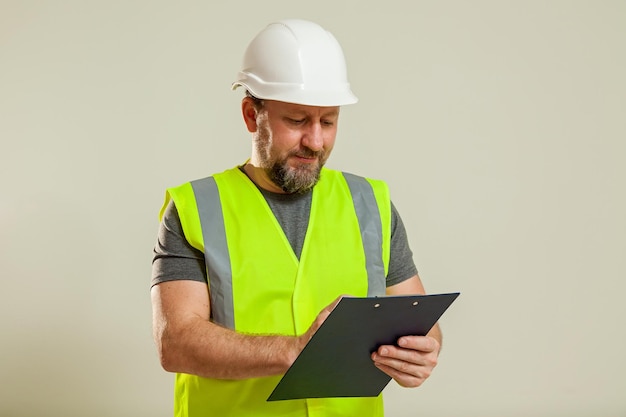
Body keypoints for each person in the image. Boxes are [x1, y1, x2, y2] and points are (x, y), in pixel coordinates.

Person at [151, 19, 442, 417]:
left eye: (328, 121)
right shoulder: (195, 208)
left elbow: (419, 317)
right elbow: (176, 342)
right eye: (297, 120)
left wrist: (421, 351)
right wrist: (293, 351)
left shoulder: (370, 202)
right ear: (252, 115)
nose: (316, 141)